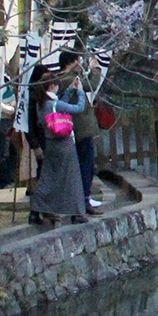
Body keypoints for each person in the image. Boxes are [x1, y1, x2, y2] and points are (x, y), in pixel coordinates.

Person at [27, 62, 90, 226]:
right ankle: (77, 212)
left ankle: (35, 211)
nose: (58, 87)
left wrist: (70, 90)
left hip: (50, 143)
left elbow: (60, 104)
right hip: (64, 143)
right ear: (52, 85)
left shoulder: (42, 103)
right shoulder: (53, 104)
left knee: (47, 178)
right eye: (57, 85)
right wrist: (81, 92)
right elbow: (78, 108)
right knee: (73, 179)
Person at [58, 50, 103, 214]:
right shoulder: (68, 79)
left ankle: (81, 200)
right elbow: (90, 85)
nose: (80, 64)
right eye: (78, 61)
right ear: (71, 63)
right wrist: (96, 69)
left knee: (82, 166)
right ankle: (83, 201)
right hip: (80, 130)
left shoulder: (63, 79)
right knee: (85, 166)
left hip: (76, 130)